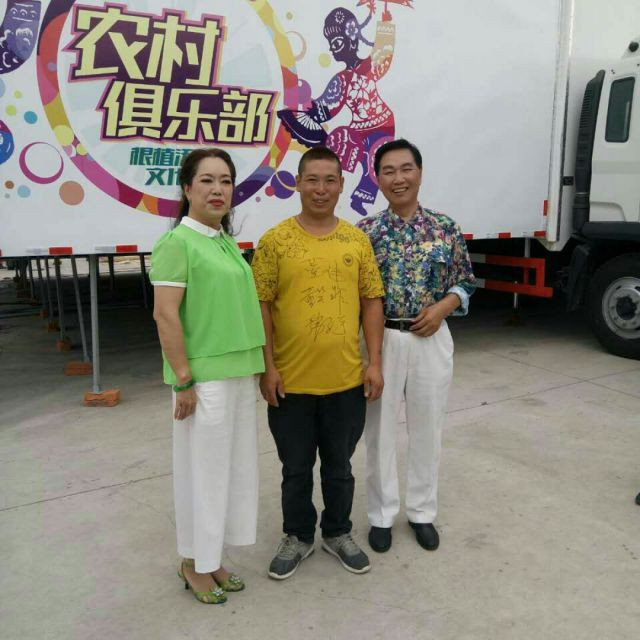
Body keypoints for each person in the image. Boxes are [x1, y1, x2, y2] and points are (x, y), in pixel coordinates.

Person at [251, 146, 385, 579]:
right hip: (290, 384)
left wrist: (374, 363)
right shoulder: (275, 241)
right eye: (312, 179)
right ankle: (297, 535)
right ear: (297, 183)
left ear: (341, 185)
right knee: (295, 469)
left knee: (340, 468)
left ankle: (338, 532)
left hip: (346, 381)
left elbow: (371, 301)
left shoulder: (356, 240)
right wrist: (267, 368)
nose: (321, 189)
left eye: (330, 180)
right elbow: (261, 305)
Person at [150, 149, 265, 604]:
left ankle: (210, 558)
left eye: (226, 181)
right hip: (204, 381)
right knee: (203, 475)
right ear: (187, 188)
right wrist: (183, 379)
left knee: (230, 474)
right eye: (207, 180)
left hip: (237, 374)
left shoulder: (223, 241)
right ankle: (191, 562)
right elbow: (165, 315)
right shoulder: (177, 243)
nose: (218, 190)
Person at [356, 139, 476, 553]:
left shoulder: (445, 227)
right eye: (388, 171)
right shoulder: (366, 232)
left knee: (428, 428)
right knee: (379, 432)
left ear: (419, 173)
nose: (398, 178)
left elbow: (466, 281)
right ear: (377, 178)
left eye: (406, 169)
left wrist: (443, 307)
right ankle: (381, 515)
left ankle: (422, 512)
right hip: (382, 339)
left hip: (431, 339)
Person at [277, 6, 396, 216]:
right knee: (339, 142)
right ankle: (354, 195)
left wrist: (386, 24)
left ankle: (361, 198)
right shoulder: (340, 80)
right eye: (331, 45)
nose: (333, 50)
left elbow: (384, 53)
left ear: (352, 39)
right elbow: (326, 108)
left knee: (372, 165)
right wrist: (306, 109)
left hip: (382, 125)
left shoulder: (369, 67)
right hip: (358, 129)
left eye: (337, 43)